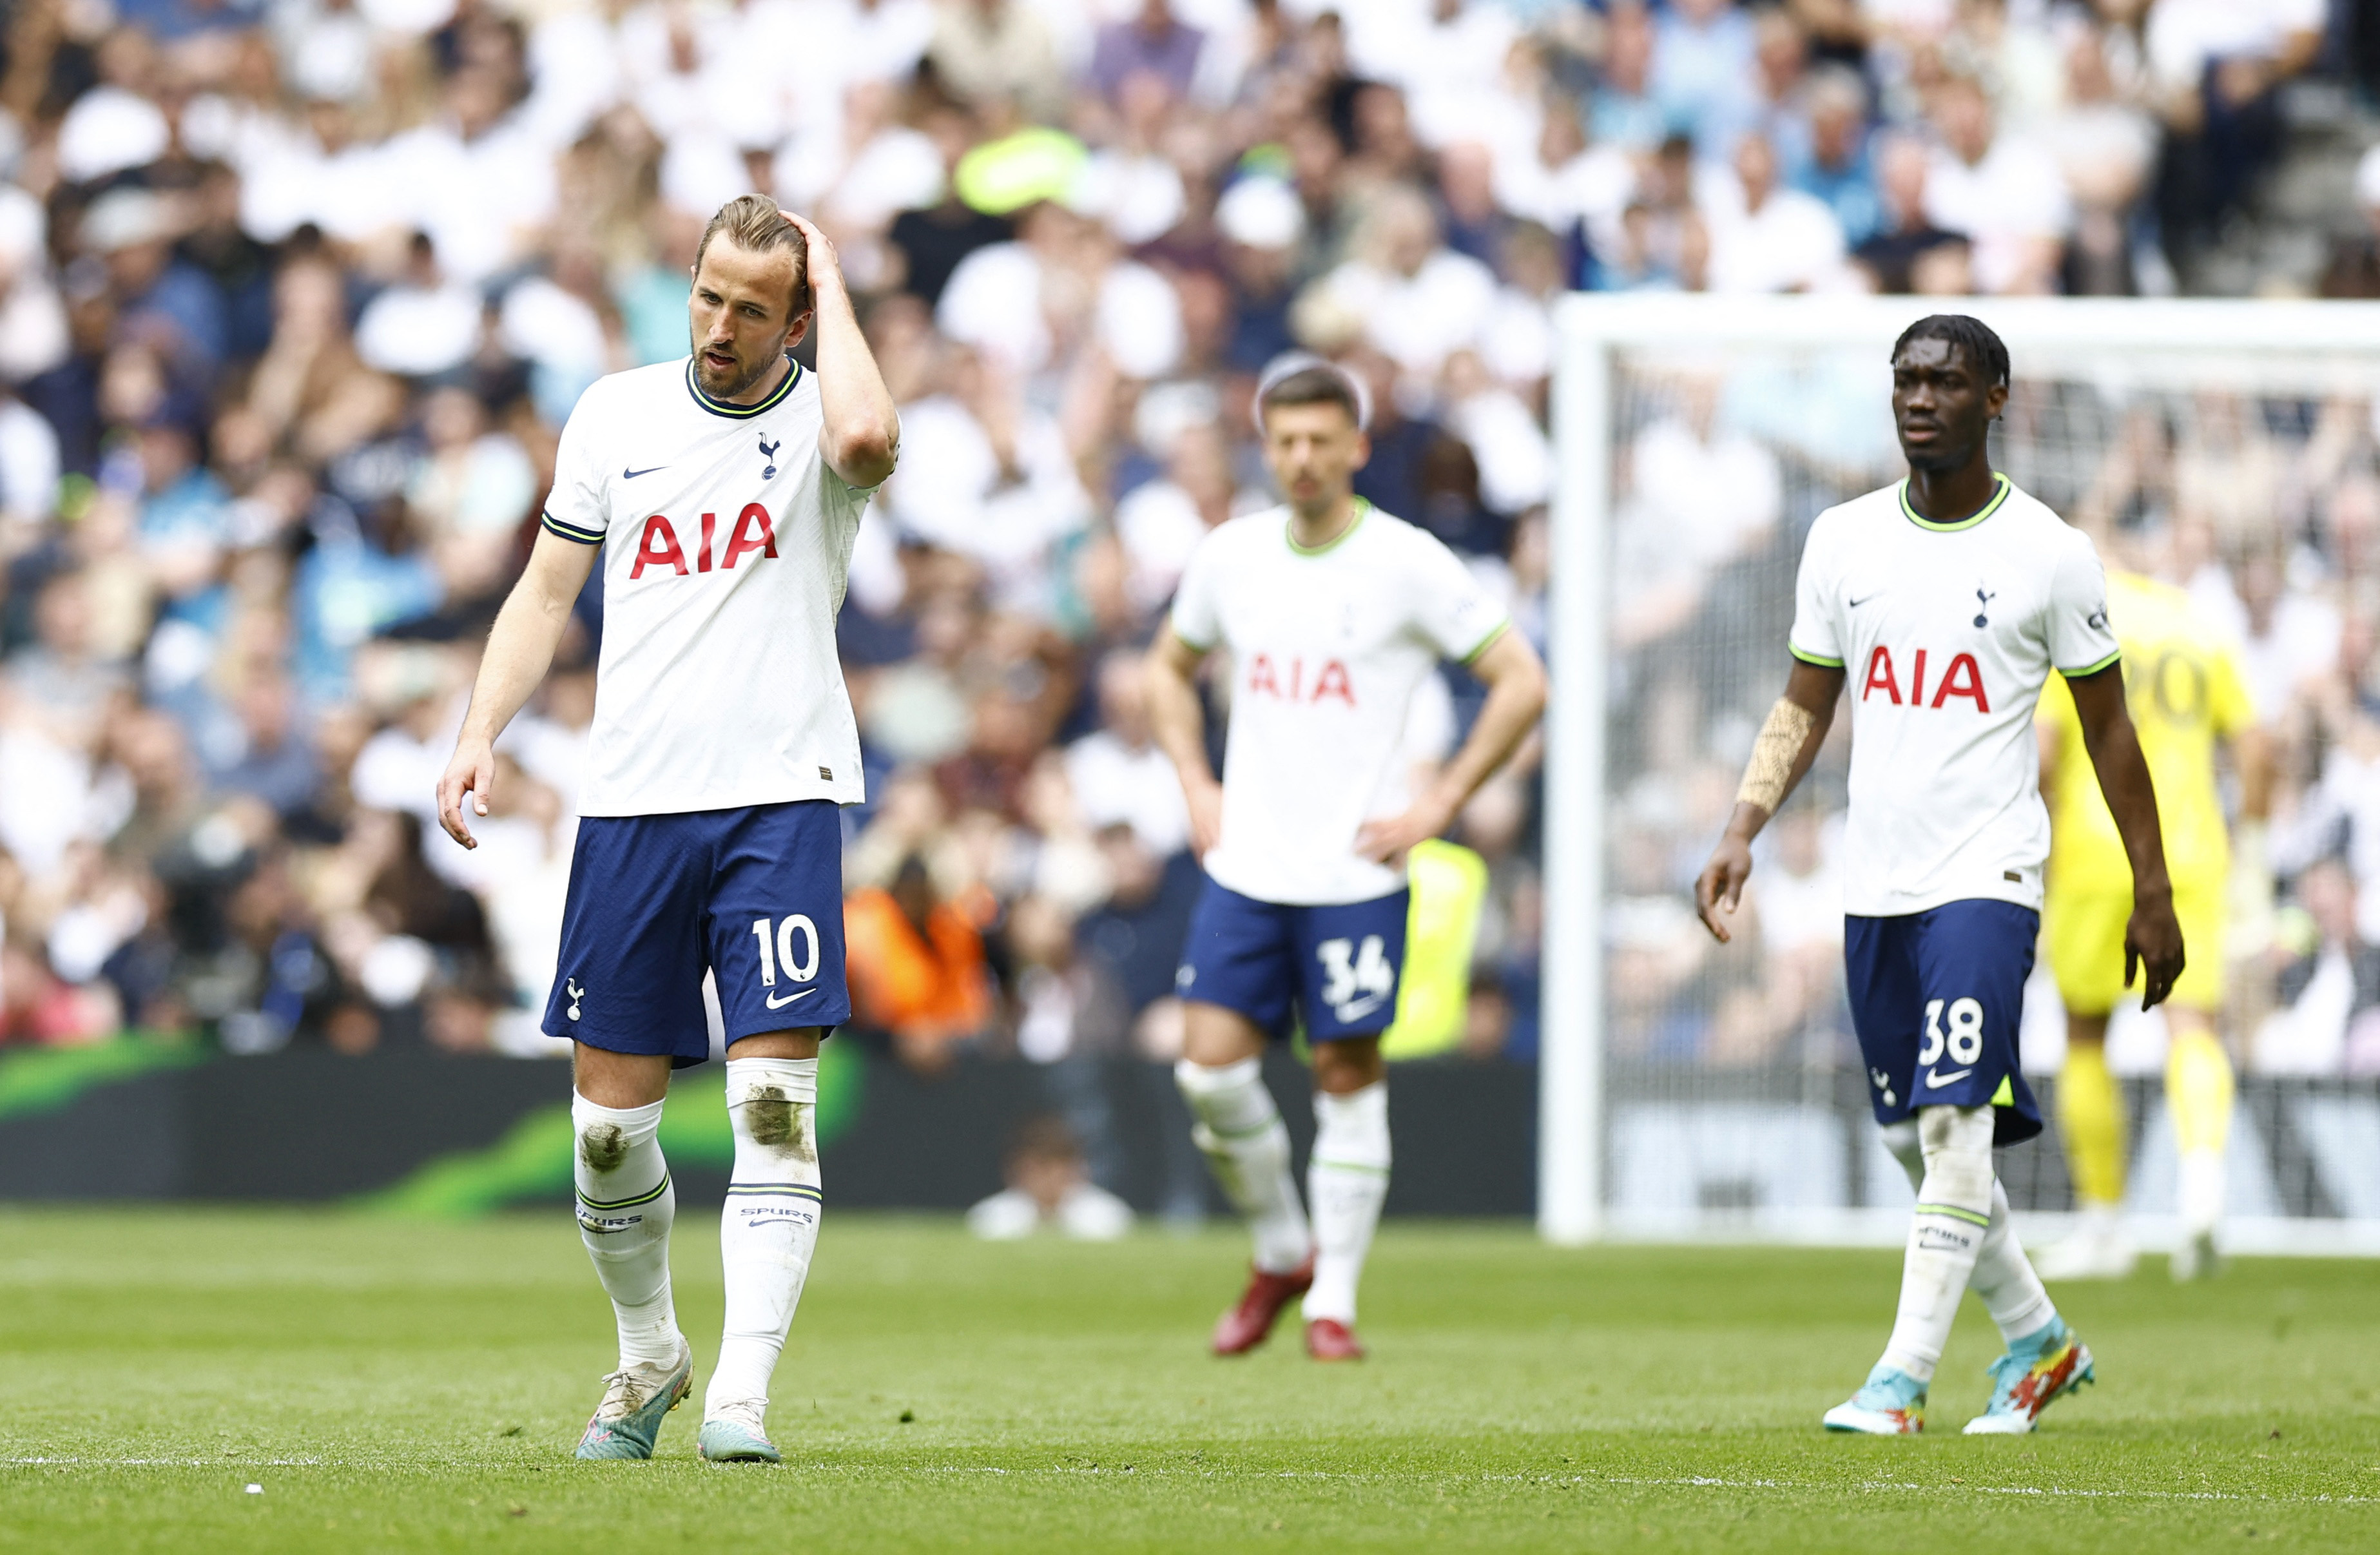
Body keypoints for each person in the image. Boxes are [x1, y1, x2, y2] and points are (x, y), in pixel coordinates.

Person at [434, 193, 900, 1464]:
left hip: (779, 795)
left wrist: (838, 275)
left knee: (770, 1108)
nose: (720, 325)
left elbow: (867, 431)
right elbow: (544, 590)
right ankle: (651, 1357)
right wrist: (479, 729)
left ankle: (742, 1392)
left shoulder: (821, 413)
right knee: (605, 1130)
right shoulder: (616, 414)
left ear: (797, 319)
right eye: (708, 295)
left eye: (755, 308)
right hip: (632, 802)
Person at [1694, 315, 2183, 1436]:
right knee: (1914, 1139)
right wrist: (1741, 821)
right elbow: (1804, 698)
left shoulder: (2050, 551)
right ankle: (2040, 1341)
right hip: (1877, 882)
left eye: (1946, 381)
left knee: (1955, 1121)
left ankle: (1900, 1379)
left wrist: (2149, 890)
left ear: (1996, 397)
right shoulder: (1843, 540)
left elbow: (2107, 731)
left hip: (1987, 873)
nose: (1920, 398)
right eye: (1906, 380)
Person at [1145, 354, 1547, 1361]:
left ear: (1358, 447)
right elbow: (1168, 665)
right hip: (1248, 865)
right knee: (1208, 1076)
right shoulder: (1232, 556)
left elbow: (1519, 681)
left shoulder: (1407, 563)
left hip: (1358, 872)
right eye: (1286, 441)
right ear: (1265, 446)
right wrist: (1197, 782)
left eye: (1324, 439)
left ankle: (1334, 1298)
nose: (1304, 458)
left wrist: (1442, 800)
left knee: (1345, 1073)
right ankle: (1283, 1247)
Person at [2035, 570, 2269, 1282]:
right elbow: (2257, 751)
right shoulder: (2200, 630)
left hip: (2093, 852)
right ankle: (2202, 1193)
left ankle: (2105, 1225)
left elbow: (2043, 754)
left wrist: (2045, 840)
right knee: (2193, 1025)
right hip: (2189, 856)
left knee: (2083, 1029)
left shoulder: (2077, 628)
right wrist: (2251, 848)